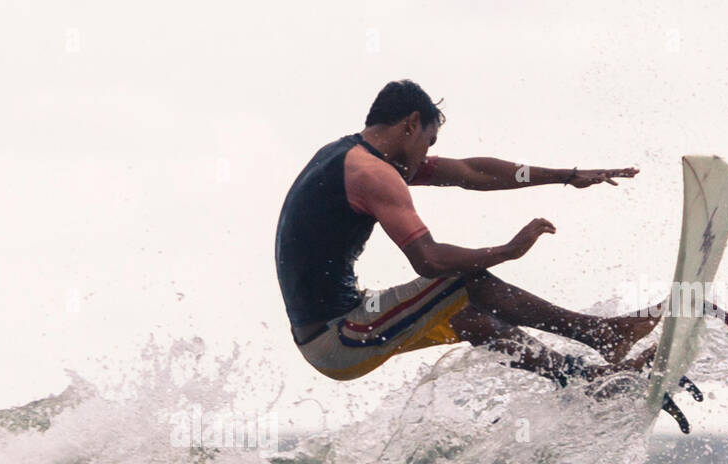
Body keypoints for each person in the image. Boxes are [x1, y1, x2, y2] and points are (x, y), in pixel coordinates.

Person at [274, 79, 665, 387]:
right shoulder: (374, 174)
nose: (427, 156)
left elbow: (472, 172)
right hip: (339, 340)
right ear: (410, 124)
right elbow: (429, 260)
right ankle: (600, 334)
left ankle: (587, 380)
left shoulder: (358, 156)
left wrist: (566, 176)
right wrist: (508, 250)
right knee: (458, 281)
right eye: (428, 142)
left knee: (463, 313)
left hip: (342, 325)